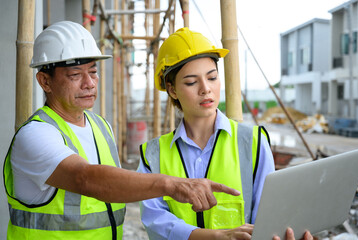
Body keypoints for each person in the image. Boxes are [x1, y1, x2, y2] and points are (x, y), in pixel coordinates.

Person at [3, 21, 241, 240]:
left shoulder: (100, 126)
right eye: (76, 75)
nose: (90, 83)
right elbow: (85, 178)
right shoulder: (34, 135)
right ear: (45, 82)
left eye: (93, 72)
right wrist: (174, 185)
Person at [137, 27, 313, 240]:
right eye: (192, 82)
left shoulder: (253, 142)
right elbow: (155, 220)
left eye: (212, 78)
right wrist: (213, 236)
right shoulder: (153, 154)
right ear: (172, 89)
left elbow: (267, 214)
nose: (205, 89)